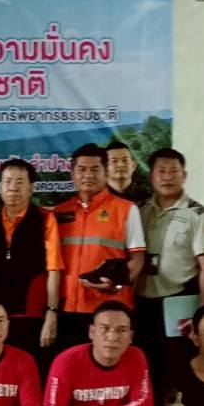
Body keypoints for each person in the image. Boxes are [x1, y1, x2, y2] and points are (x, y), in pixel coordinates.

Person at [135, 148, 204, 396]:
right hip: (141, 303)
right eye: (161, 171)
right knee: (144, 368)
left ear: (185, 176)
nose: (167, 176)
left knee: (177, 368)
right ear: (152, 176)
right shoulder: (138, 211)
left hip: (178, 302)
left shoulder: (198, 214)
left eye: (174, 171)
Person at [53, 143, 146, 350]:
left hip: (111, 311)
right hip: (67, 309)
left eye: (95, 169)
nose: (88, 175)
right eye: (82, 169)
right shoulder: (59, 212)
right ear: (72, 174)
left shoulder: (126, 209)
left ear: (106, 172)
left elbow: (138, 259)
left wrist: (117, 285)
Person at [44, 301, 155, 406]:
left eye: (121, 330)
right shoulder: (66, 362)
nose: (113, 337)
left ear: (130, 337)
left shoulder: (136, 356)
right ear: (92, 332)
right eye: (105, 329)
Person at [0, 158, 61, 361]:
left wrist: (52, 312)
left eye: (19, 182)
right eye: (7, 182)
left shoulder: (45, 219)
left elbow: (54, 269)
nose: (13, 188)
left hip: (33, 315)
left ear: (31, 188)